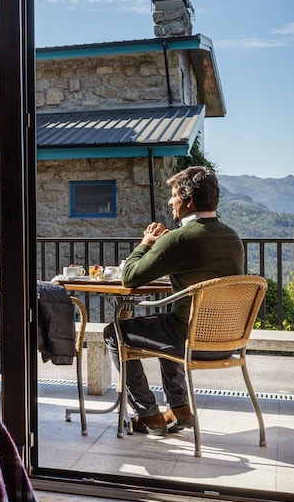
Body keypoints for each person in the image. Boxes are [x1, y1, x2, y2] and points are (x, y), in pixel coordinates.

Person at [104, 166, 244, 435]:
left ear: (189, 201)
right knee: (168, 324)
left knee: (114, 333)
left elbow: (130, 277)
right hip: (228, 341)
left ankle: (148, 415)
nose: (170, 202)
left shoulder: (179, 239)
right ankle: (180, 409)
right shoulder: (232, 237)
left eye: (174, 195)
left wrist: (146, 242)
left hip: (189, 340)